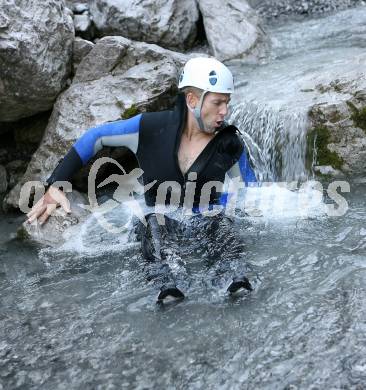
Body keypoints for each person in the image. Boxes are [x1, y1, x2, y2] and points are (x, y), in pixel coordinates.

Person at [26, 57, 257, 302]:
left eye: (227, 103)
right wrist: (57, 184)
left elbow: (251, 191)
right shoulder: (148, 129)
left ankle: (235, 277)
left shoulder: (230, 143)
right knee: (152, 225)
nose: (225, 111)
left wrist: (234, 210)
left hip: (208, 219)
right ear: (192, 100)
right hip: (159, 217)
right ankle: (167, 286)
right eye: (218, 102)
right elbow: (95, 137)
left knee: (221, 227)